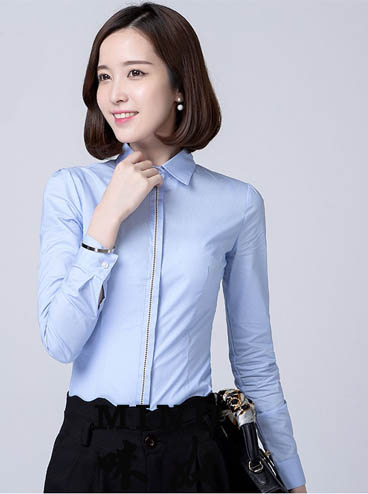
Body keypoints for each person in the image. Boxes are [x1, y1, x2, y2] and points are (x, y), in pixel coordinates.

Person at [38, 2, 307, 492]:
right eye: (104, 76)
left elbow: (254, 357)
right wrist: (106, 221)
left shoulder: (237, 204)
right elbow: (60, 341)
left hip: (195, 457)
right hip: (92, 454)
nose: (115, 93)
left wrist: (290, 478)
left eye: (135, 73)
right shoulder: (71, 190)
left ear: (180, 86)